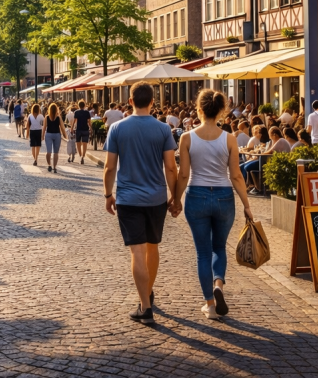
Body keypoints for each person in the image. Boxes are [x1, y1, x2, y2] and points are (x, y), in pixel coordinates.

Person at [173, 89, 254, 320]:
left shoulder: (187, 138)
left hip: (196, 195)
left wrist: (176, 200)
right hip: (224, 196)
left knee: (203, 253)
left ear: (198, 109)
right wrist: (246, 205)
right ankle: (218, 284)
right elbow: (237, 175)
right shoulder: (229, 138)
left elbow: (183, 174)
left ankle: (210, 305)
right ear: (221, 111)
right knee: (219, 247)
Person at [102, 83, 178, 324]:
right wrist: (175, 196)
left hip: (128, 197)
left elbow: (110, 166)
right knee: (152, 247)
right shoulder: (163, 128)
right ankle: (148, 293)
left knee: (137, 250)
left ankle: (145, 306)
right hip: (156, 198)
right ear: (153, 102)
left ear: (130, 100)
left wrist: (107, 194)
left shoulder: (117, 128)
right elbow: (170, 167)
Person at [44, 103, 67, 172]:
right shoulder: (58, 117)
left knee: (48, 151)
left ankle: (49, 165)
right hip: (57, 135)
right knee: (56, 152)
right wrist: (65, 135)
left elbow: (44, 127)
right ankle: (54, 167)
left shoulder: (47, 117)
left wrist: (42, 136)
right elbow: (62, 128)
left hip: (48, 134)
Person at [25, 104, 46, 169]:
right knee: (37, 146)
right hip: (39, 131)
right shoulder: (41, 116)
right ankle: (36, 158)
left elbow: (28, 126)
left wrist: (27, 134)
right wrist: (43, 134)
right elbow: (44, 123)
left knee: (33, 146)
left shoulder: (30, 116)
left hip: (32, 131)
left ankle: (35, 159)